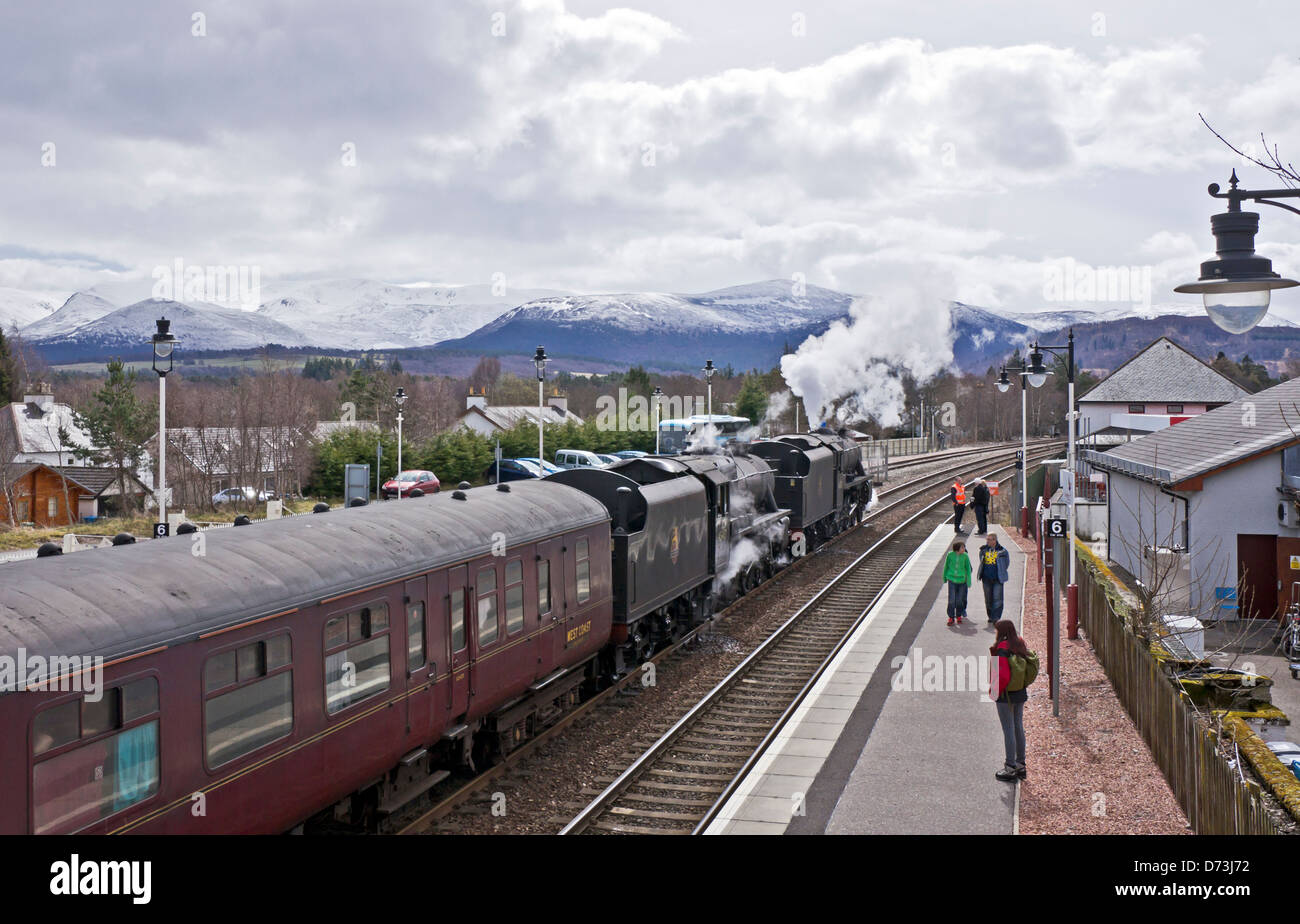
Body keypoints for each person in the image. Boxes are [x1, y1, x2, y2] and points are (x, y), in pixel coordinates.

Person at [989, 620, 1029, 781]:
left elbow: (1002, 675)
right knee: (1018, 726)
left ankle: (1010, 766)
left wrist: (995, 690)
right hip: (1020, 691)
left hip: (1005, 695)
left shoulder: (1002, 649)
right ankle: (1021, 764)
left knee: (1008, 729)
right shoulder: (1020, 643)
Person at [977, 532, 1010, 625]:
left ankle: (996, 617)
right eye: (987, 539)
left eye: (989, 539)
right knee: (988, 598)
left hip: (997, 578)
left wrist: (1001, 571)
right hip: (986, 578)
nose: (987, 541)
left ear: (994, 540)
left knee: (997, 598)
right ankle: (990, 616)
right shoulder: (983, 550)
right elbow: (981, 561)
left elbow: (1006, 563)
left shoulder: (1003, 551)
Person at [942, 539, 971, 626]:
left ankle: (958, 615)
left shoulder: (965, 556)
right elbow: (946, 566)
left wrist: (968, 581)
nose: (964, 549)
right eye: (962, 547)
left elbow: (968, 569)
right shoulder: (950, 555)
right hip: (952, 580)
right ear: (957, 548)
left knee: (959, 601)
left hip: (962, 581)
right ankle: (951, 617)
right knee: (951, 600)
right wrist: (944, 577)